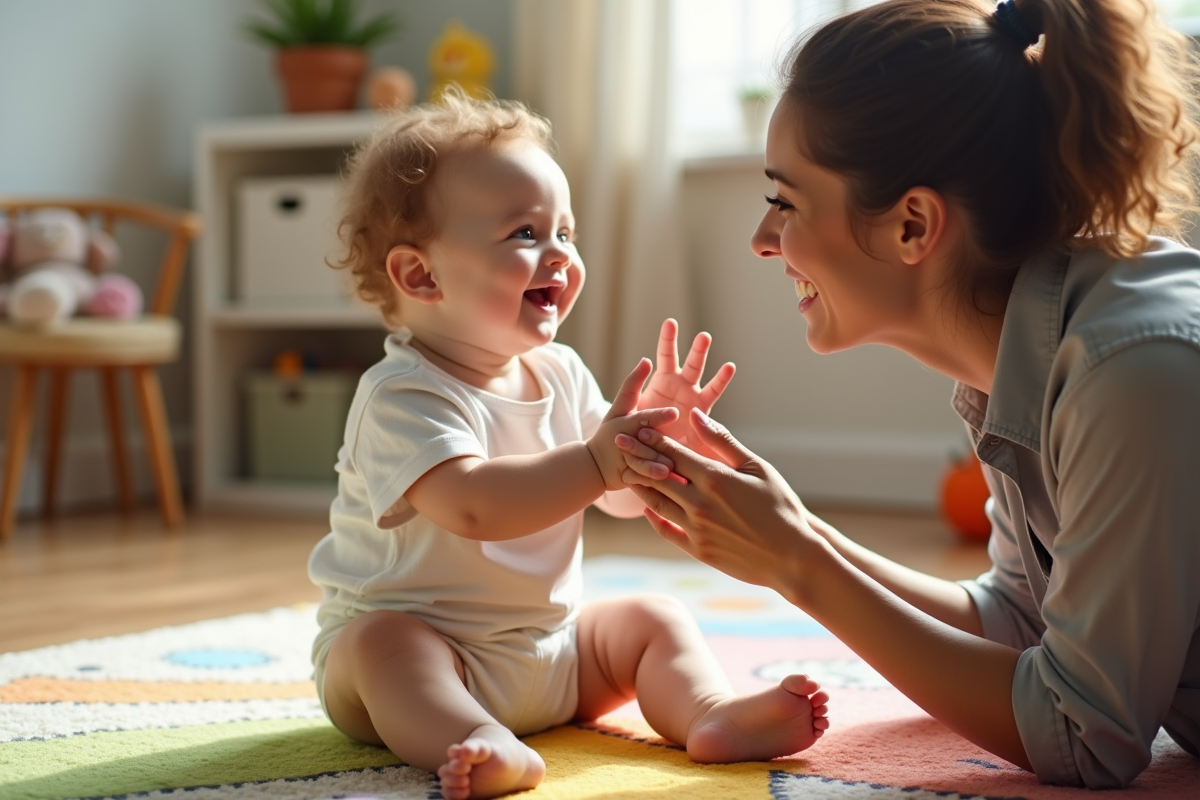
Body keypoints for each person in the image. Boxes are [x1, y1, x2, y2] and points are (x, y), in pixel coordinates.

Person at [615, 0, 1200, 789]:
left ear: (912, 226)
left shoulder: (1130, 371)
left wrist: (799, 563)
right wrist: (792, 529)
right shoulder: (1021, 351)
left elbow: (1082, 734)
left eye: (785, 201)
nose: (761, 238)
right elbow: (1020, 622)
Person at [305, 90, 830, 800]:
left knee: (652, 618)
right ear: (421, 275)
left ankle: (708, 714)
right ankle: (476, 739)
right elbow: (472, 507)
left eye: (566, 233)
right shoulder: (401, 397)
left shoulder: (559, 371)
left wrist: (651, 445)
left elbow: (614, 499)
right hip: (432, 660)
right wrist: (594, 459)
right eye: (525, 234)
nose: (559, 256)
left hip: (552, 657)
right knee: (380, 647)